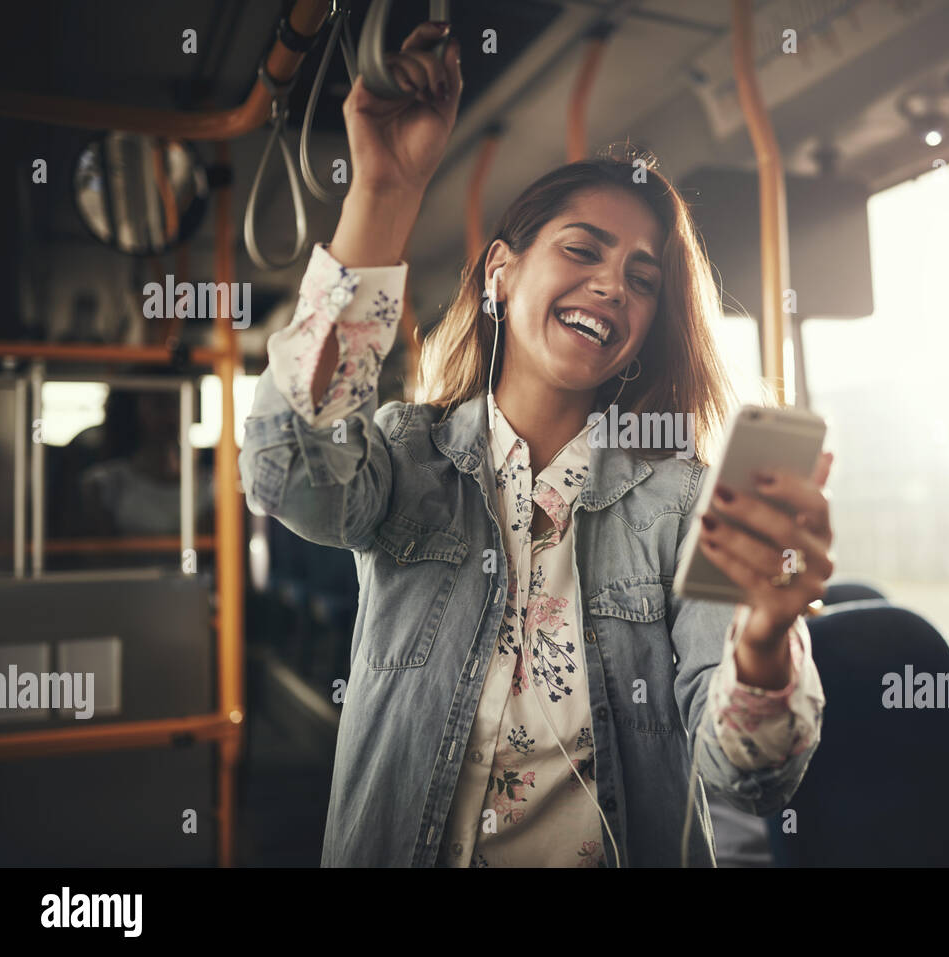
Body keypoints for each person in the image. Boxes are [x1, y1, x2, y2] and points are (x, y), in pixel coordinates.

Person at [239, 21, 833, 867]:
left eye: (641, 278)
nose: (611, 285)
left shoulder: (683, 502)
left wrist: (765, 642)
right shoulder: (410, 458)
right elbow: (285, 469)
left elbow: (747, 777)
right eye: (582, 250)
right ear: (499, 274)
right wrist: (384, 190)